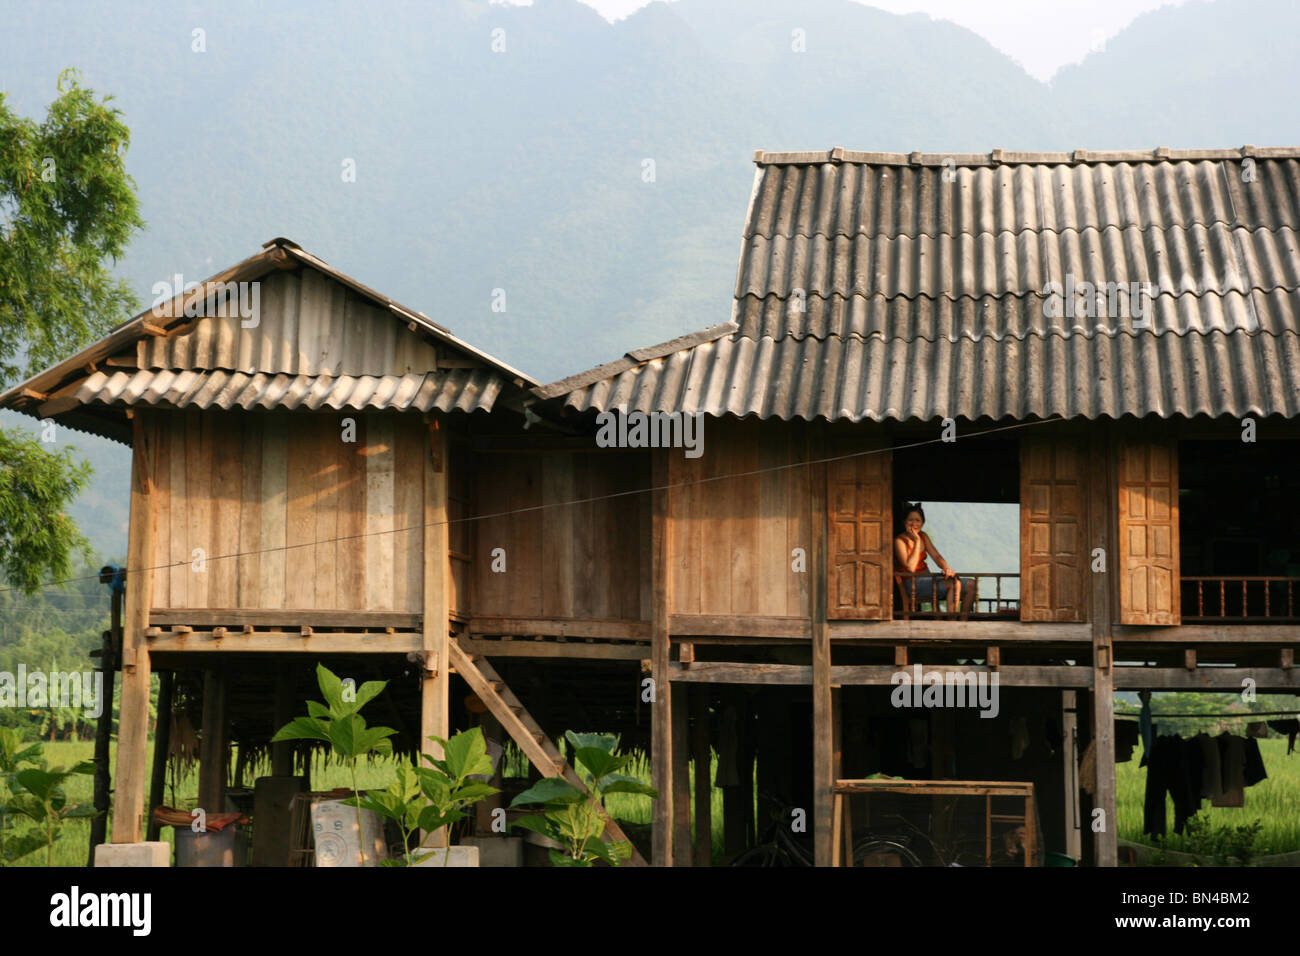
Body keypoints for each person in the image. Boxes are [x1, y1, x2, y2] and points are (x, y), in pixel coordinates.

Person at [893, 502, 976, 618]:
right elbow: (910, 567)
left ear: (922, 523)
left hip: (928, 580)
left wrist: (946, 569)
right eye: (910, 520)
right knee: (953, 583)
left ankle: (962, 622)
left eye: (918, 520)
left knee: (971, 585)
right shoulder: (899, 541)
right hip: (912, 584)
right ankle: (952, 623)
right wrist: (916, 541)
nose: (914, 524)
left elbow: (937, 557)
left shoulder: (924, 536)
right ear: (905, 522)